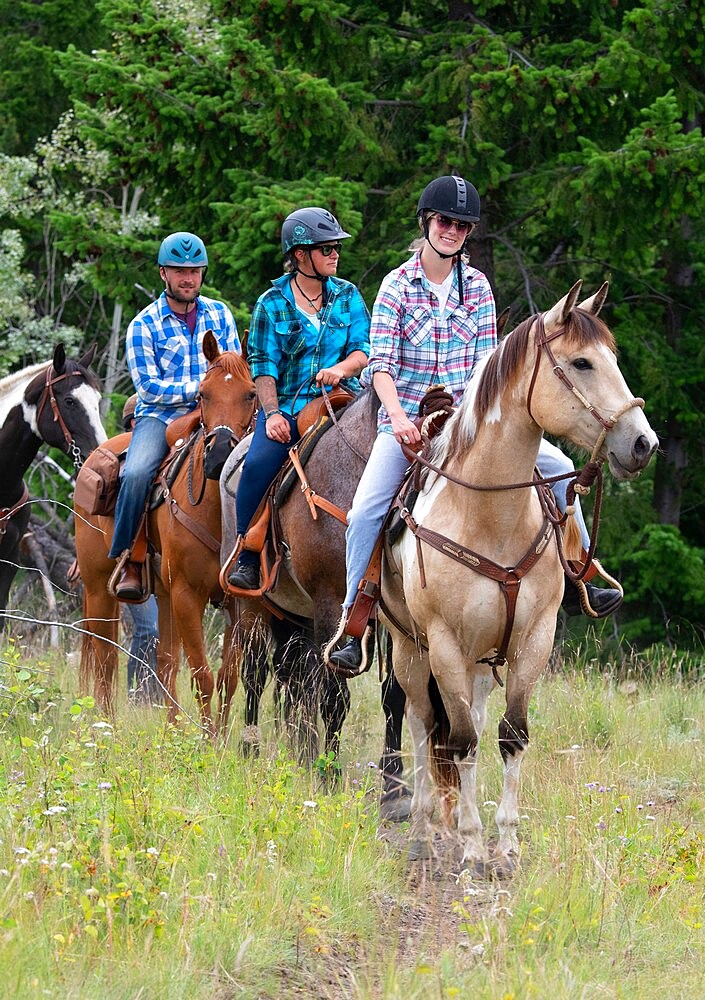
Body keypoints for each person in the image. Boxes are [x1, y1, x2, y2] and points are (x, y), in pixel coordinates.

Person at [328, 174, 622, 672]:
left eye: (463, 226)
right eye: (445, 221)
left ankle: (583, 569)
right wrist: (398, 417)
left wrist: (484, 419)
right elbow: (381, 366)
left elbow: (488, 366)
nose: (453, 231)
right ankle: (355, 617)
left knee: (560, 471)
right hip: (407, 424)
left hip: (467, 425)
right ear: (427, 222)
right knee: (363, 514)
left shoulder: (478, 287)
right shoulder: (396, 286)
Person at [227, 207, 371, 590]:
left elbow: (362, 351)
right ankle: (248, 553)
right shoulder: (270, 303)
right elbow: (263, 367)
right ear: (301, 255)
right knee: (256, 465)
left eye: (336, 247)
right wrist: (272, 414)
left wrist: (341, 369)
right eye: (326, 249)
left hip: (343, 399)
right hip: (289, 406)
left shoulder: (348, 295)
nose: (335, 254)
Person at [109, 232, 241, 600]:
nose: (188, 278)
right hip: (161, 417)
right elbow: (149, 387)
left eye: (195, 271)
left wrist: (217, 394)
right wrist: (202, 388)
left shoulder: (220, 314)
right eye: (179, 271)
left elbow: (232, 367)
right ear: (163, 274)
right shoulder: (143, 325)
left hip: (217, 413)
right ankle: (131, 558)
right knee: (135, 472)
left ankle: (255, 550)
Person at [120, 395, 159, 702]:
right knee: (149, 627)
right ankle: (141, 699)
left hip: (165, 564)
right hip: (136, 564)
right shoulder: (126, 468)